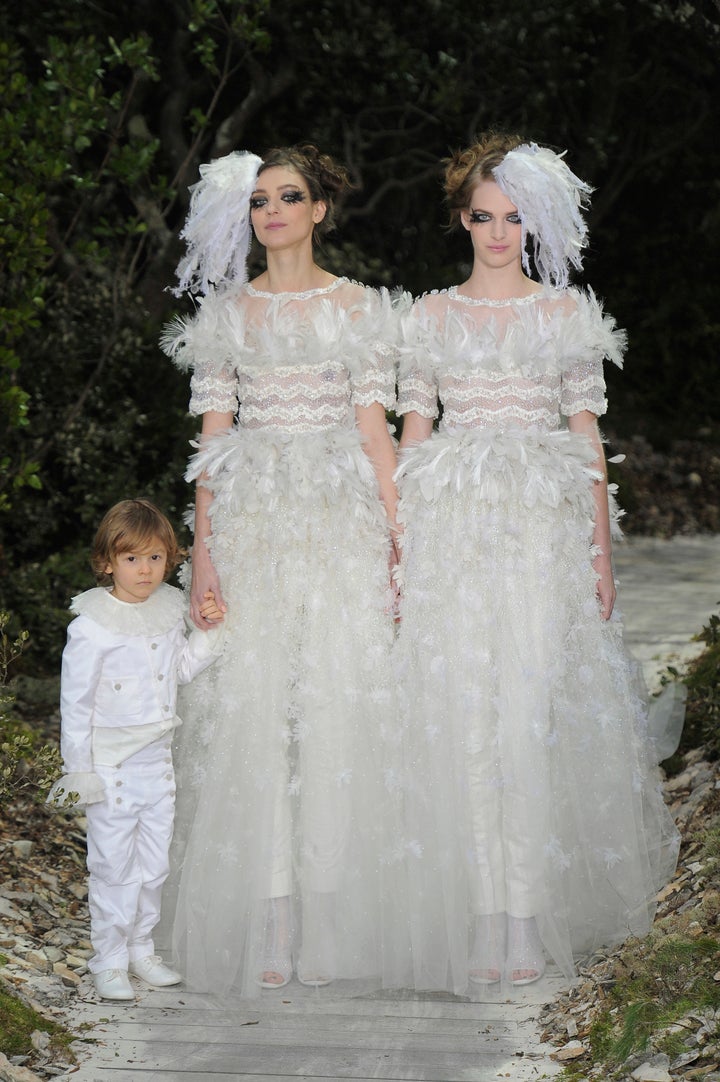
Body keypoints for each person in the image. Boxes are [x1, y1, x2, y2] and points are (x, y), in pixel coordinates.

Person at [390, 133, 680, 994]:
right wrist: (400, 553)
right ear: (461, 220)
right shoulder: (429, 318)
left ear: (536, 224)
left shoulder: (566, 317)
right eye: (484, 216)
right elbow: (414, 436)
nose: (498, 233)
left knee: (526, 720)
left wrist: (601, 553)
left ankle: (525, 913)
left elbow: (585, 440)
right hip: (452, 536)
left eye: (514, 218)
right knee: (468, 727)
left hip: (539, 539)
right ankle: (485, 914)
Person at [160, 144, 403, 996]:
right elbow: (212, 445)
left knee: (335, 714)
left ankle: (332, 928)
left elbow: (376, 433)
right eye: (260, 200)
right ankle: (269, 923)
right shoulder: (227, 314)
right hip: (256, 527)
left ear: (320, 210)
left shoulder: (361, 308)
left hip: (339, 527)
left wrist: (399, 541)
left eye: (289, 196)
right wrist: (204, 562)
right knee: (258, 719)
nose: (273, 211)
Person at [48, 498, 225, 1001]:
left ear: (168, 560)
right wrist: (80, 770)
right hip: (112, 768)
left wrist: (211, 632)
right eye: (131, 559)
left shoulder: (168, 613)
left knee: (155, 862)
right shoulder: (91, 626)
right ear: (107, 562)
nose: (144, 570)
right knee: (112, 865)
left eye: (154, 558)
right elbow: (75, 704)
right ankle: (108, 957)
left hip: (157, 764)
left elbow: (182, 671)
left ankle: (141, 948)